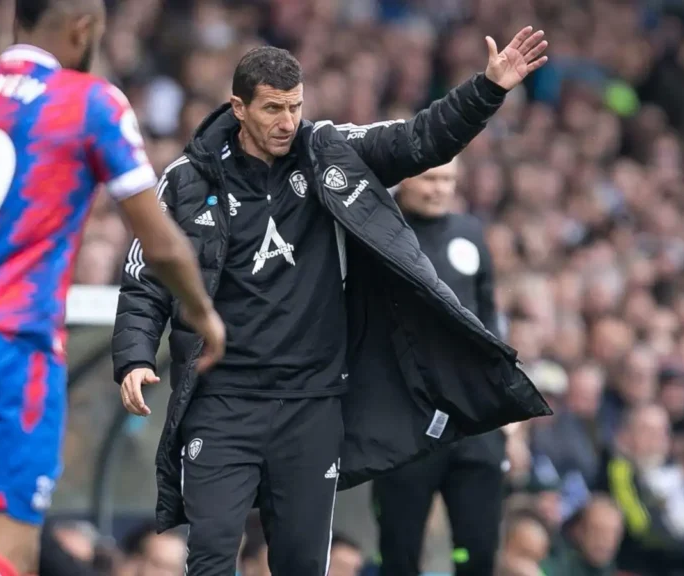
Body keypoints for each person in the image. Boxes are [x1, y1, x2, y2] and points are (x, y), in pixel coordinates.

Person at [113, 30, 551, 575]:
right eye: (272, 108)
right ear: (238, 107)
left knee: (301, 562)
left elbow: (417, 141)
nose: (286, 122)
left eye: (295, 107)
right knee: (210, 557)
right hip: (222, 402)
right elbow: (145, 277)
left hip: (311, 402)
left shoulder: (327, 152)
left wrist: (487, 88)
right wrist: (133, 356)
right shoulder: (185, 180)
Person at [0, 0, 224, 574]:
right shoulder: (87, 101)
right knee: (1, 552)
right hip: (13, 344)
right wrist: (204, 313)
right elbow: (163, 243)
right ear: (83, 28)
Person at [373, 158, 506, 576]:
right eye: (430, 178)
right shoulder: (375, 229)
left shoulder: (469, 233)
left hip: (472, 421)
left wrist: (506, 409)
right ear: (404, 177)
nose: (440, 189)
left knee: (478, 550)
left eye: (448, 179)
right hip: (405, 422)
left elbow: (489, 321)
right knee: (400, 549)